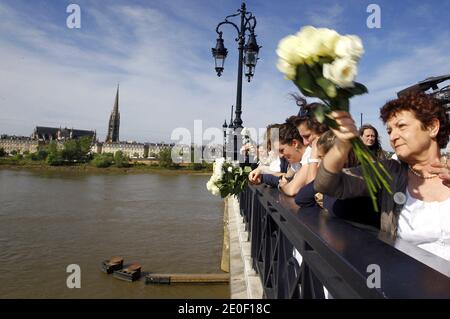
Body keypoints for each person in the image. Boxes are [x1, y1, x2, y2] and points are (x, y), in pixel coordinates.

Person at [314, 91, 450, 261]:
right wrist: (341, 145)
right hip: (408, 283)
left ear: (432, 127)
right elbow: (327, 184)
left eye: (401, 126)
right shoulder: (389, 172)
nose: (392, 137)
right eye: (389, 130)